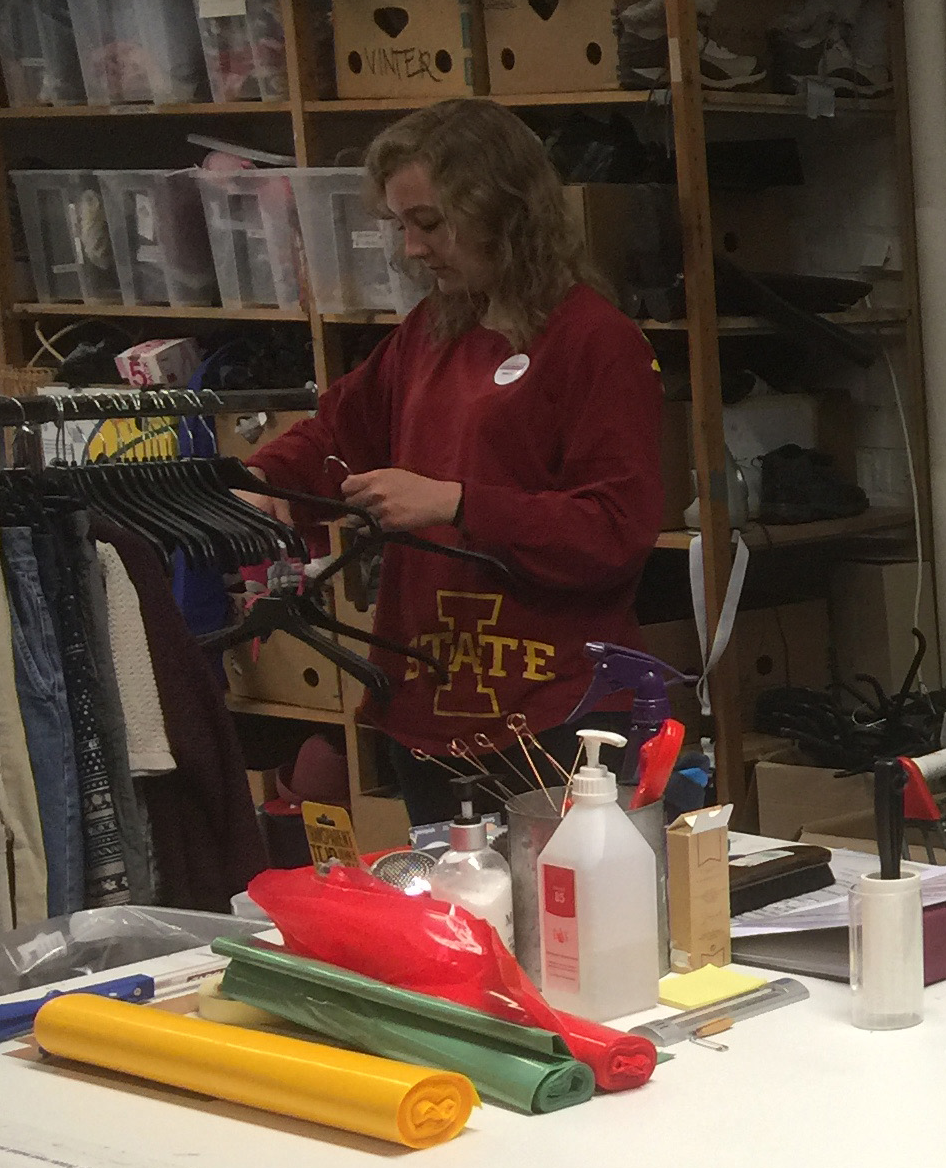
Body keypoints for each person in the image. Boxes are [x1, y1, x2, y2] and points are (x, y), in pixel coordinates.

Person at [243, 99, 667, 822]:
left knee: (566, 926)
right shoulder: (430, 332)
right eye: (400, 225)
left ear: (505, 210)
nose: (411, 248)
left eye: (430, 224)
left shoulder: (597, 342)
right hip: (428, 703)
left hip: (557, 710)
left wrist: (456, 503)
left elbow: (615, 529)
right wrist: (263, 478)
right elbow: (339, 431)